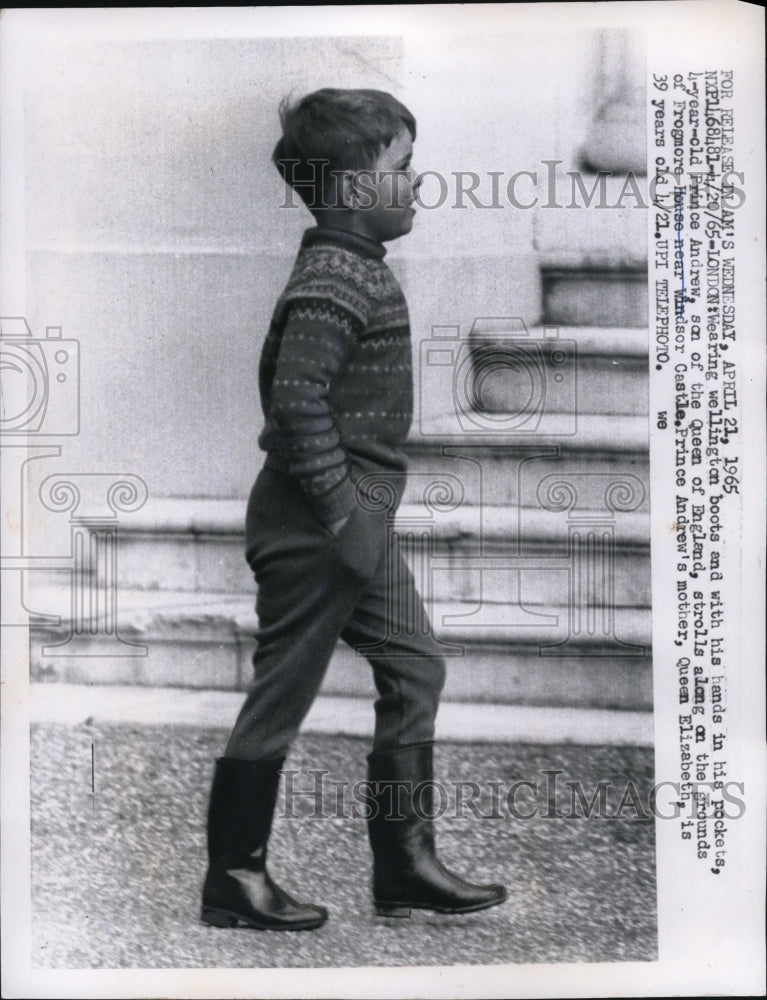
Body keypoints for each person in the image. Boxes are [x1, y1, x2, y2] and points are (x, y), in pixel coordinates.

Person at [201, 88, 507, 931]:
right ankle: (232, 875)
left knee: (414, 664)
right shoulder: (333, 273)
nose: (416, 185)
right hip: (315, 524)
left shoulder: (358, 267)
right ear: (345, 188)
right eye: (400, 169)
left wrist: (360, 516)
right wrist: (343, 514)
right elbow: (296, 398)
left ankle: (404, 865)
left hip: (354, 516)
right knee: (282, 693)